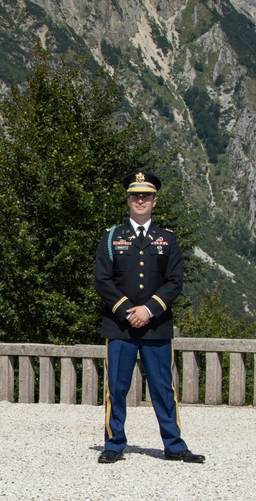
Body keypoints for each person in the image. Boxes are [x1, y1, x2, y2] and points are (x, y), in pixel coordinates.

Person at [94, 171, 205, 465]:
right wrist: (128, 310)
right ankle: (114, 443)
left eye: (145, 196)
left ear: (154, 201)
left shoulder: (167, 239)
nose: (139, 200)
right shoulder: (111, 237)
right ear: (128, 200)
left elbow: (175, 281)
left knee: (163, 388)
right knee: (116, 389)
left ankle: (174, 445)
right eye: (134, 196)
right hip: (120, 326)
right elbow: (102, 279)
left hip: (156, 327)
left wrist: (149, 309)